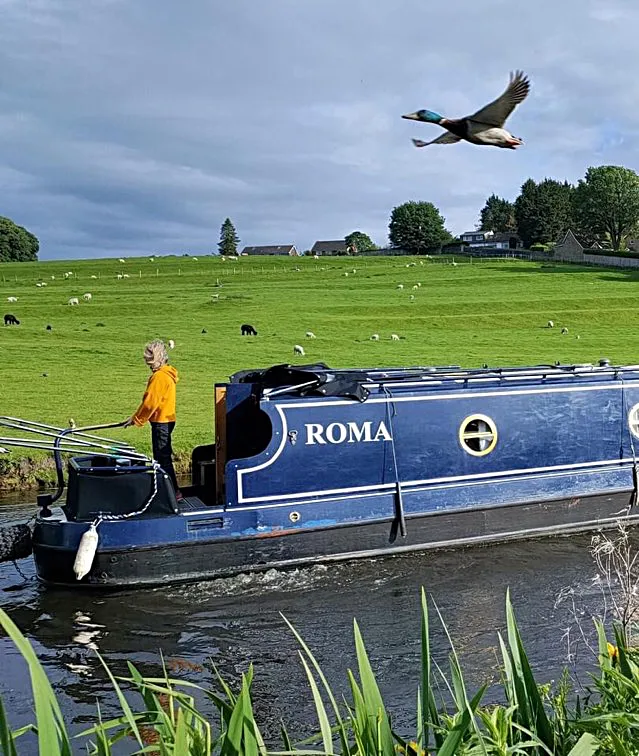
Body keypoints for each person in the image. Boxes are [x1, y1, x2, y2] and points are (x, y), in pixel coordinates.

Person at [124, 340, 182, 500]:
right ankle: (170, 491)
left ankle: (172, 493)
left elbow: (150, 403)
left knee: (162, 457)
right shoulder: (167, 373)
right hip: (167, 419)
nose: (149, 365)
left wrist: (136, 419)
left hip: (161, 421)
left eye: (150, 362)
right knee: (163, 456)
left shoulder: (160, 377)